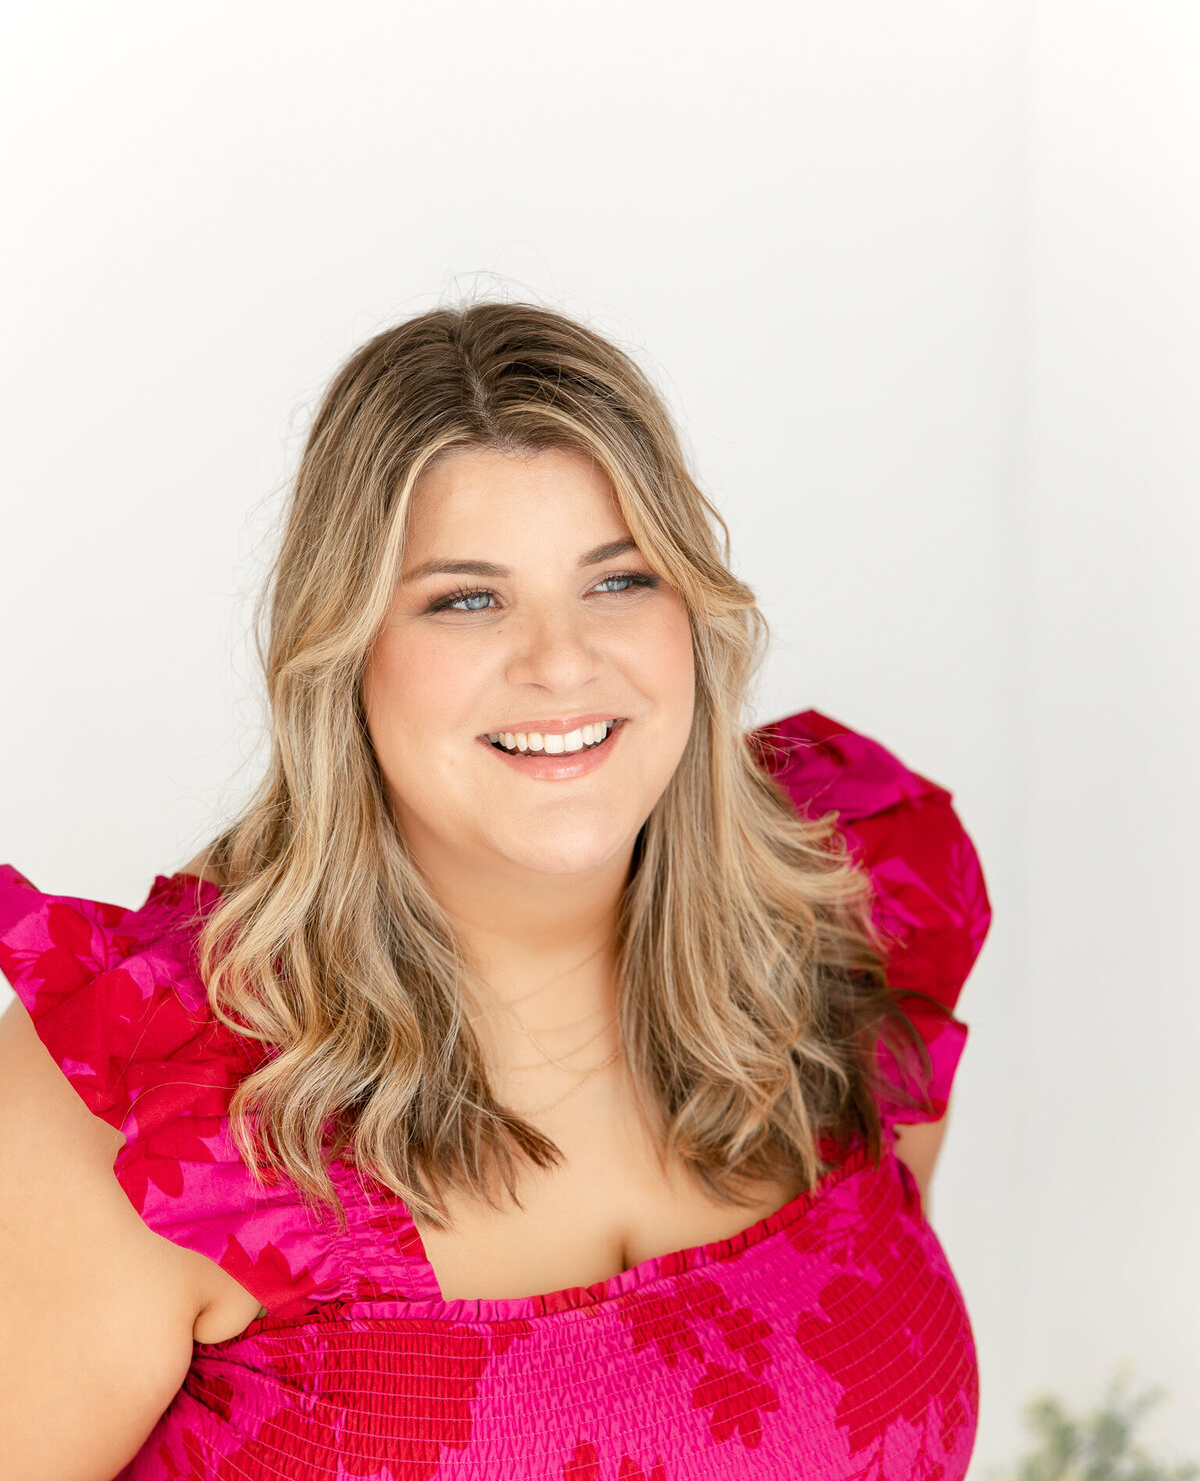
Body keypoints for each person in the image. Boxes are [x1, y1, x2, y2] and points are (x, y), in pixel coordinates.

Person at [0, 301, 992, 1480]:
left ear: (695, 615)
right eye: (466, 598)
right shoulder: (135, 1106)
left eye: (619, 579)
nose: (562, 661)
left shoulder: (843, 919)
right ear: (342, 654)